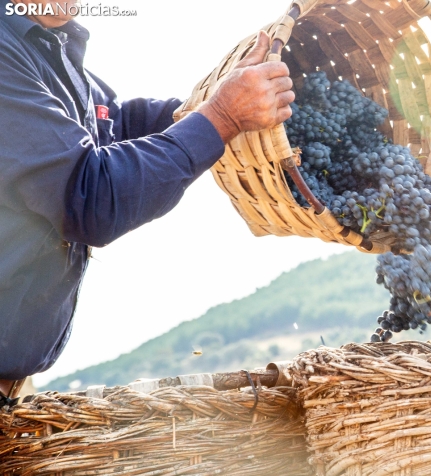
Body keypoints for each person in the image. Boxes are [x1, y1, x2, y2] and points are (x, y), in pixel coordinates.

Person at [0, 0, 295, 402]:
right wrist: (222, 116)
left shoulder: (52, 48)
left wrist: (221, 101)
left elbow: (115, 127)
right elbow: (89, 196)